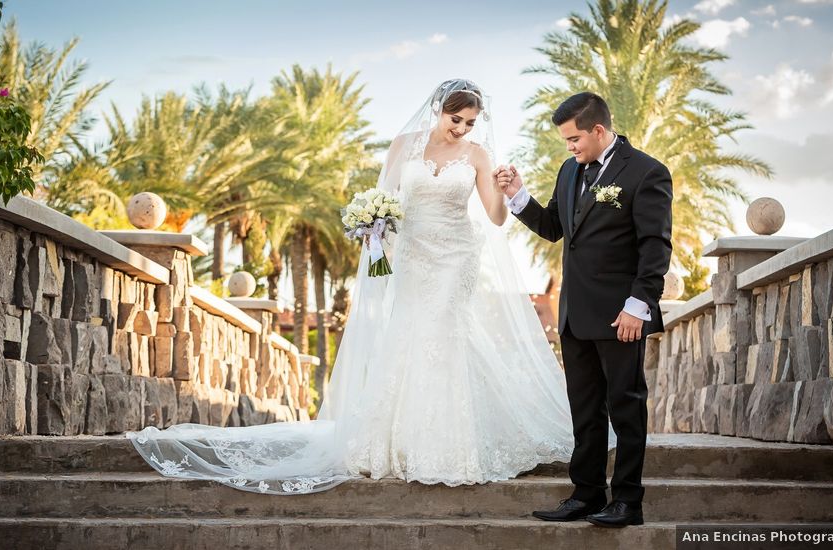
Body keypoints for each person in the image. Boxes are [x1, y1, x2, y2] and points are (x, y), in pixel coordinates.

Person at [127, 79, 575, 494]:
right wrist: (372, 224)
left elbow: (495, 216)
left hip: (457, 258)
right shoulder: (403, 146)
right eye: (455, 119)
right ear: (438, 110)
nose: (460, 129)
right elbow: (386, 201)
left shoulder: (477, 155)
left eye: (469, 123)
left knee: (445, 334)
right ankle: (397, 440)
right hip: (414, 257)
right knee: (412, 336)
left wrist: (505, 189)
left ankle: (450, 445)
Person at [495, 91, 673, 527]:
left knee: (626, 408)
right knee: (585, 409)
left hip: (621, 315)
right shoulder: (568, 172)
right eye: (565, 141)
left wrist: (639, 305)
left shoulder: (647, 172)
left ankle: (628, 501)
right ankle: (587, 494)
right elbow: (555, 228)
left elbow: (655, 247)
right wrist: (518, 196)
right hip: (575, 315)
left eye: (574, 138)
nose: (570, 147)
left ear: (598, 129)